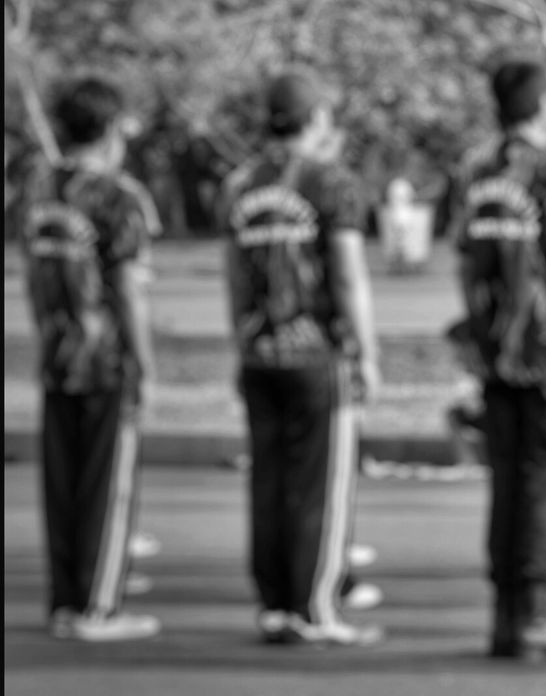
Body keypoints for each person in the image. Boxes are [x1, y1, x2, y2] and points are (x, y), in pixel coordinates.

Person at [220, 70, 383, 646]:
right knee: (320, 482)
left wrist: (240, 337)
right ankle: (315, 608)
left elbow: (234, 274)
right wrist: (366, 351)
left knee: (269, 479)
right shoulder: (329, 181)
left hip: (259, 352)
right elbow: (346, 273)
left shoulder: (240, 185)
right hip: (316, 353)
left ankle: (274, 604)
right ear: (315, 120)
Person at [446, 59, 546, 660]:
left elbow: (464, 262)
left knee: (507, 485)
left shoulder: (474, 169)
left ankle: (506, 618)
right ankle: (535, 617)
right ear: (541, 106)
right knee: (541, 487)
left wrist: (481, 336)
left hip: (496, 356)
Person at [20, 76, 161, 642]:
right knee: (106, 484)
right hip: (104, 359)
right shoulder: (118, 197)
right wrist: (146, 365)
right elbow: (128, 289)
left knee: (63, 485)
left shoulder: (41, 191)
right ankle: (98, 608)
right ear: (109, 128)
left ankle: (65, 599)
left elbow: (33, 275)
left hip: (56, 353)